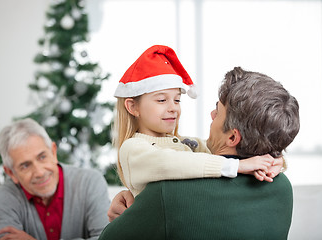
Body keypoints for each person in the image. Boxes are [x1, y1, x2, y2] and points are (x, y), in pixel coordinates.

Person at [99, 66, 300, 239]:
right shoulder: (282, 188)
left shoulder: (168, 194)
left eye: (218, 112)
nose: (211, 115)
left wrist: (137, 208)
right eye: (161, 100)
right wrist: (275, 158)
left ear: (232, 138)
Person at [112, 45, 278, 198]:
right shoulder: (133, 148)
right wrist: (236, 167)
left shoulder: (191, 144)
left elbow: (235, 150)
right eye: (162, 100)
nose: (173, 108)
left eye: (177, 100)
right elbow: (169, 163)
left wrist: (273, 162)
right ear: (133, 107)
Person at [0, 118, 110, 240]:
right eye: (25, 165)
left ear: (53, 152)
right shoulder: (5, 196)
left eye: (42, 157)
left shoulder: (90, 182)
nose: (40, 172)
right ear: (11, 173)